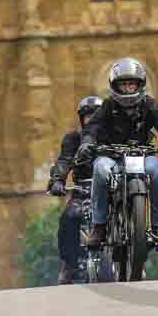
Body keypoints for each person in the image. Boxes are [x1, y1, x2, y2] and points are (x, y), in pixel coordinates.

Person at [76, 58, 158, 249]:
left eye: (132, 83)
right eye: (124, 84)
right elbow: (92, 127)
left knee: (157, 171)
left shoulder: (149, 105)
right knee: (100, 170)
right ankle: (99, 227)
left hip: (142, 156)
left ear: (140, 84)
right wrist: (87, 143)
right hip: (111, 156)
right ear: (115, 86)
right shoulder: (108, 106)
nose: (128, 88)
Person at [48, 95, 104, 285]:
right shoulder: (73, 139)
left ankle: (135, 257)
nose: (91, 120)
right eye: (87, 116)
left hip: (112, 192)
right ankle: (69, 265)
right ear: (81, 119)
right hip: (83, 191)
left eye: (95, 115)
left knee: (131, 210)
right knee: (68, 219)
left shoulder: (114, 137)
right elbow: (64, 161)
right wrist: (58, 180)